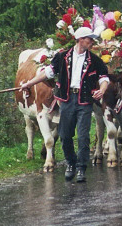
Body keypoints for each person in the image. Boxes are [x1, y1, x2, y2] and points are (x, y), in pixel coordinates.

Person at [19, 26, 110, 183]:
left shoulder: (95, 60)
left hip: (84, 100)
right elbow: (47, 73)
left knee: (83, 136)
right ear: (80, 40)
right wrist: (29, 83)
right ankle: (71, 163)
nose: (92, 42)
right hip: (67, 100)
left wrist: (102, 89)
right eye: (89, 39)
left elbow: (104, 77)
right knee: (65, 135)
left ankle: (81, 168)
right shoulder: (62, 57)